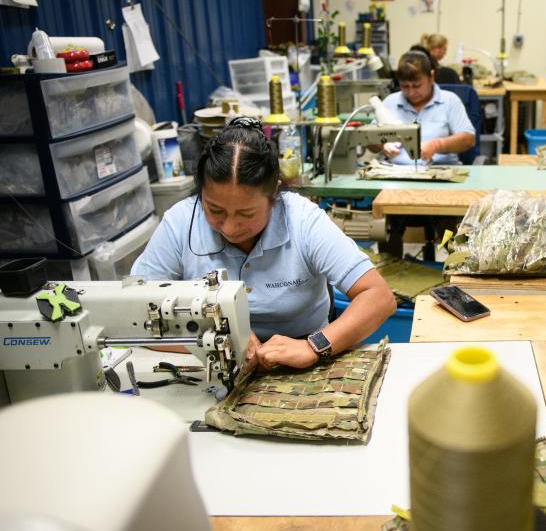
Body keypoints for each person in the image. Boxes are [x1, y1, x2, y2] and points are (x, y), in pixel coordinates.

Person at [131, 117, 397, 370]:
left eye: (246, 214)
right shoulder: (180, 223)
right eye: (215, 210)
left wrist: (313, 347)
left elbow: (378, 297)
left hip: (304, 352)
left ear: (274, 197)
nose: (230, 227)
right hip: (211, 355)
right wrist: (212, 340)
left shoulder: (302, 220)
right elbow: (133, 313)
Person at [381, 51, 475, 166]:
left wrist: (437, 145)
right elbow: (370, 142)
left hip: (440, 172)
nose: (411, 92)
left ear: (432, 77)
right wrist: (382, 144)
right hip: (395, 173)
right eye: (405, 86)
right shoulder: (390, 102)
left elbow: (468, 139)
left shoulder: (450, 101)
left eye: (417, 86)